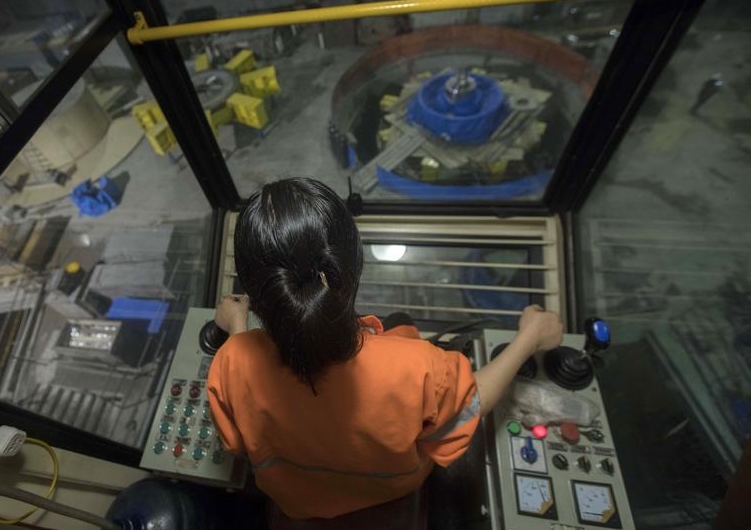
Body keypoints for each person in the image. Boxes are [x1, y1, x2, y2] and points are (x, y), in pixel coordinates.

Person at [206, 178, 563, 520]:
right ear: (351, 267)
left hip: (298, 500)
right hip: (391, 488)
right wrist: (528, 339)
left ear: (256, 292)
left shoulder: (230, 363)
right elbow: (472, 403)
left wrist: (237, 328)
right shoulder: (420, 368)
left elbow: (235, 442)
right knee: (402, 323)